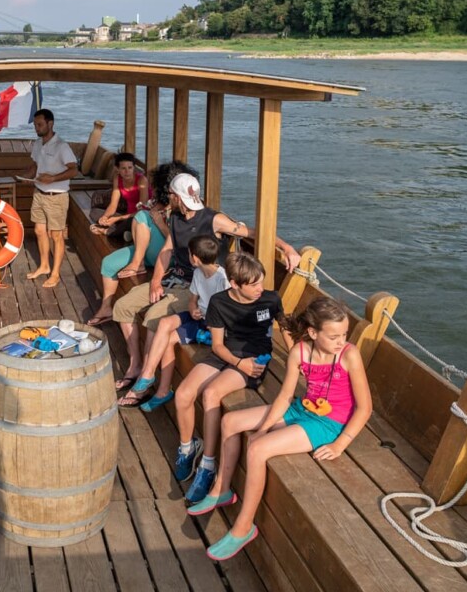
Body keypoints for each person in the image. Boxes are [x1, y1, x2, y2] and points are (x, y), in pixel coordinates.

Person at [195, 297, 372, 562]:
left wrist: (340, 443)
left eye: (344, 334)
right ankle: (221, 489)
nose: (341, 341)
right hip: (303, 408)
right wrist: (264, 427)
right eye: (334, 336)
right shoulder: (300, 351)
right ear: (313, 333)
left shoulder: (349, 355)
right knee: (230, 422)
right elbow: (284, 397)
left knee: (258, 449)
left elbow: (364, 408)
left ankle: (243, 527)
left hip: (329, 423)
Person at [112, 172, 301, 394]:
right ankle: (135, 365)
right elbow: (167, 250)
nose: (169, 197)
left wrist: (286, 247)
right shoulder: (174, 218)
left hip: (197, 286)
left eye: (172, 195)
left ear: (178, 197)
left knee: (155, 317)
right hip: (172, 278)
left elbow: (250, 232)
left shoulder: (213, 219)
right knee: (122, 307)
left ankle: (145, 377)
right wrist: (155, 281)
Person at [173, 253, 288, 505]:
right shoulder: (219, 302)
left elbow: (287, 331)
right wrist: (237, 362)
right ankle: (187, 447)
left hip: (253, 357)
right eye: (254, 284)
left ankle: (208, 465)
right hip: (227, 353)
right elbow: (216, 345)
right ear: (235, 284)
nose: (261, 289)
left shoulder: (271, 299)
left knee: (211, 393)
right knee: (183, 394)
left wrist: (295, 361)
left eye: (261, 282)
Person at [117, 235, 227, 410]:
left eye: (189, 254)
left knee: (168, 340)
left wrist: (208, 320)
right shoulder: (198, 273)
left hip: (212, 326)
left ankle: (161, 391)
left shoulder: (222, 279)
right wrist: (192, 309)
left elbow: (227, 312)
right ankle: (148, 374)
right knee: (164, 324)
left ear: (195, 258)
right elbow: (192, 300)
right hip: (199, 317)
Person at [86, 161, 186, 325]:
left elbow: (178, 243)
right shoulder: (159, 203)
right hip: (146, 251)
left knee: (142, 217)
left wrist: (160, 223)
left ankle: (137, 263)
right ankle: (106, 307)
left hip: (168, 258)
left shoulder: (182, 210)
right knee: (108, 263)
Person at [23, 109, 77, 289]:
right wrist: (25, 176)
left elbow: (73, 169)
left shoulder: (62, 146)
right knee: (39, 231)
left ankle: (55, 274)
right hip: (39, 193)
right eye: (35, 125)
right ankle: (45, 266)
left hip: (57, 197)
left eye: (39, 125)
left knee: (56, 235)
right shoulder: (38, 144)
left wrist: (52, 178)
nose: (36, 128)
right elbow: (35, 164)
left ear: (50, 124)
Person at [89, 152, 149, 241]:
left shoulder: (141, 180)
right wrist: (105, 217)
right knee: (94, 212)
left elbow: (142, 211)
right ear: (117, 169)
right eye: (123, 168)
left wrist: (117, 218)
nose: (127, 171)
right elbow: (113, 205)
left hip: (141, 215)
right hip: (126, 213)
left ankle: (107, 231)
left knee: (132, 221)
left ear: (134, 167)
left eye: (130, 168)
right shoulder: (117, 178)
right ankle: (124, 233)